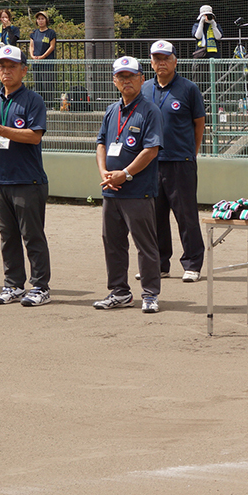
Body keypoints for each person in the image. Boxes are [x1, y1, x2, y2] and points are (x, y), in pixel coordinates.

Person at [0, 46, 52, 307]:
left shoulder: (33, 100)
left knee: (32, 236)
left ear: (24, 70)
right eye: (2, 67)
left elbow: (34, 136)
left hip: (28, 180)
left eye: (12, 66)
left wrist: (0, 130)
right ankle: (13, 285)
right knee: (7, 236)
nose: (6, 71)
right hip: (0, 180)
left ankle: (40, 287)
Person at [94, 56, 163, 313]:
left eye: (131, 76)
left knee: (145, 244)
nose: (126, 81)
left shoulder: (149, 111)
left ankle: (150, 294)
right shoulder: (112, 111)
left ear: (141, 79)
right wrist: (104, 172)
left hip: (137, 190)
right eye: (121, 77)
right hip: (111, 190)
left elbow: (151, 150)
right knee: (112, 242)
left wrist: (125, 173)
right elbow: (101, 143)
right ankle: (119, 292)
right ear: (114, 81)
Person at [141, 40, 206, 282]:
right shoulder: (145, 88)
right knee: (155, 216)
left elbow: (199, 123)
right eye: (156, 59)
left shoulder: (188, 88)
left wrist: (192, 151)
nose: (161, 63)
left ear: (175, 61)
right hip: (151, 161)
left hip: (180, 161)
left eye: (165, 58)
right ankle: (159, 264)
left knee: (186, 215)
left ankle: (192, 264)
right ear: (151, 62)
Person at [29, 10, 57, 108]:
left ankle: (49, 105)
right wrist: (32, 56)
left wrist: (43, 56)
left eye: (42, 19)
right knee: (38, 84)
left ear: (46, 20)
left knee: (47, 84)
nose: (40, 21)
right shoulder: (34, 33)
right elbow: (31, 46)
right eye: (38, 19)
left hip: (47, 63)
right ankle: (38, 105)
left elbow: (51, 46)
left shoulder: (51, 33)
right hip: (36, 63)